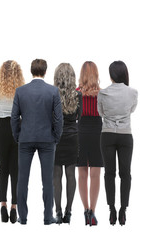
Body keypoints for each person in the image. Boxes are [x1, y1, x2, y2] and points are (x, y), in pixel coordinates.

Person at [11, 59, 63, 225]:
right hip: (47, 139)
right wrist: (56, 137)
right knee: (47, 180)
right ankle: (48, 217)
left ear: (31, 71)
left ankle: (23, 217)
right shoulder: (53, 91)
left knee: (22, 179)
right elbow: (58, 119)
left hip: (25, 138)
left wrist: (17, 136)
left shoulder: (20, 91)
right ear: (45, 71)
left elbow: (14, 117)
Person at [98, 61, 138, 226]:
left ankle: (112, 209)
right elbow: (132, 110)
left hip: (107, 134)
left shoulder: (103, 93)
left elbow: (101, 112)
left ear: (111, 75)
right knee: (125, 174)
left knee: (109, 173)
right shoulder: (133, 92)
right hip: (125, 136)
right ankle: (123, 210)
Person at [0, 60, 24, 223]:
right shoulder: (21, 92)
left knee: (3, 169)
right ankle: (14, 208)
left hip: (0, 128)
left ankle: (2, 205)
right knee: (16, 170)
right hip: (17, 127)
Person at [52, 63, 82, 224]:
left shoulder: (52, 94)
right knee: (71, 175)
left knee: (56, 176)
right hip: (73, 138)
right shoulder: (78, 96)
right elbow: (80, 118)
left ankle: (58, 212)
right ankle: (68, 212)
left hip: (56, 138)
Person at [76, 61, 103, 226]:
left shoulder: (76, 92)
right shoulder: (102, 93)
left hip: (80, 131)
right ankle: (93, 211)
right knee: (95, 174)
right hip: (98, 131)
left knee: (82, 173)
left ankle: (85, 210)